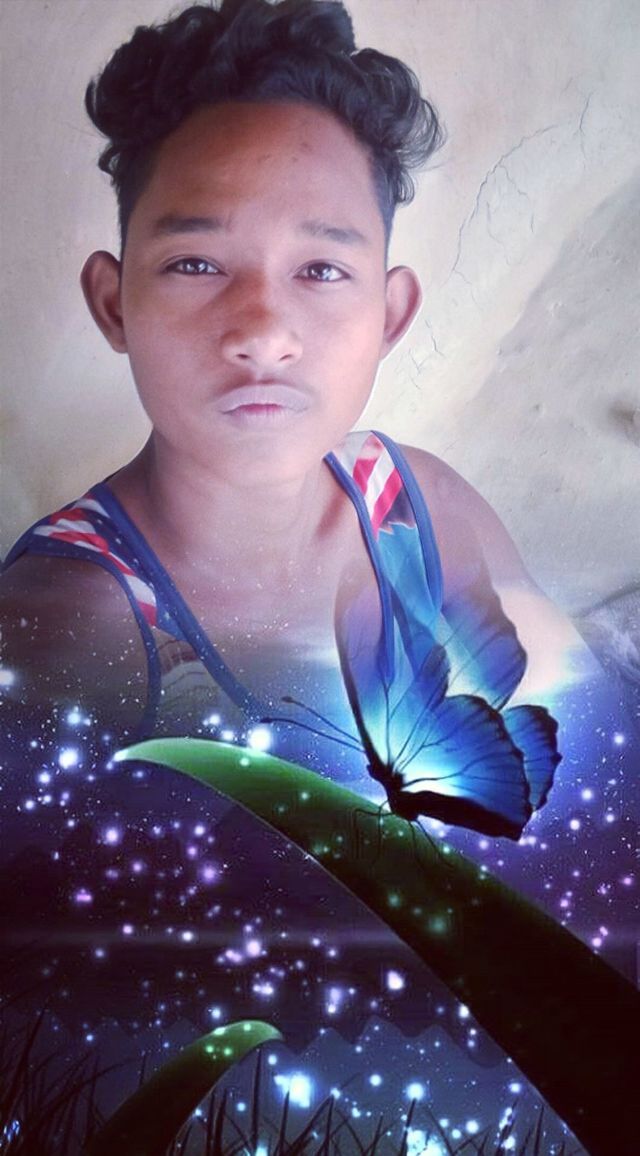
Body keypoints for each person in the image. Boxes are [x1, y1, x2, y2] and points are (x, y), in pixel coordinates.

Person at [0, 0, 588, 774]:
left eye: (320, 269)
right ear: (115, 305)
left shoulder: (422, 511)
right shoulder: (67, 624)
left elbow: (580, 743)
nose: (264, 333)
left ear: (390, 316)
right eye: (195, 264)